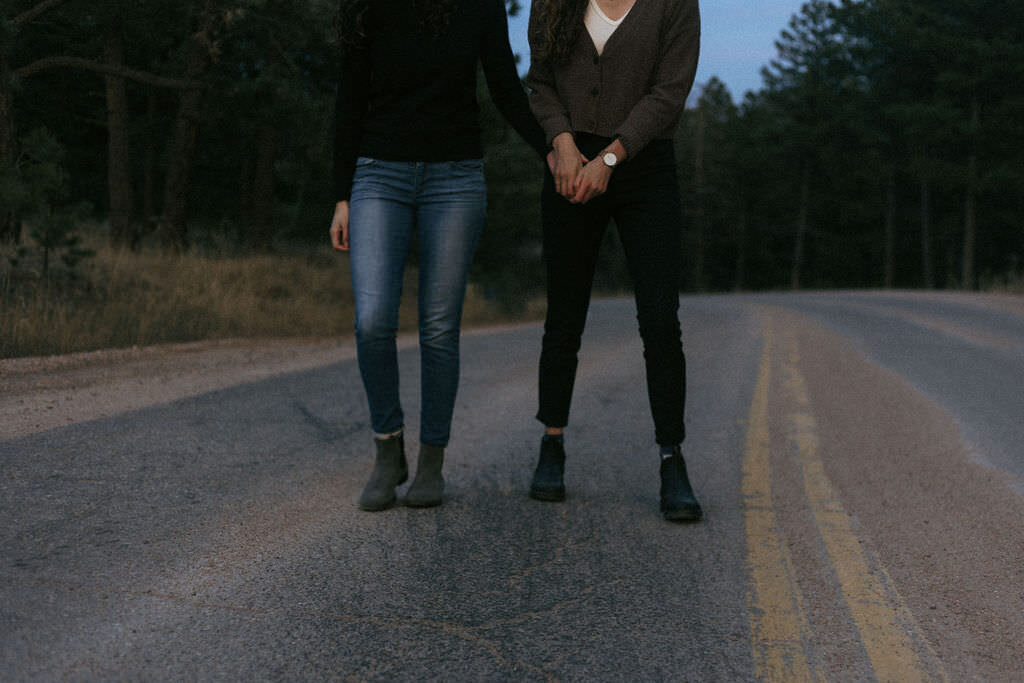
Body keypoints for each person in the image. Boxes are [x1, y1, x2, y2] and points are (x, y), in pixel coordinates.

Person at [330, 0, 548, 511]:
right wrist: (342, 195)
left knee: (439, 327)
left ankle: (431, 462)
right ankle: (389, 451)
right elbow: (350, 97)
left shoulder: (479, 5)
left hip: (455, 178)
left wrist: (552, 149)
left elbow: (504, 84)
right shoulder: (366, 5)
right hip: (379, 173)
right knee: (373, 320)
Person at [524, 0, 703, 521]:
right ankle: (551, 444)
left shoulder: (674, 4)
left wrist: (611, 157)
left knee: (659, 320)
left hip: (645, 169)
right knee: (564, 315)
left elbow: (670, 92)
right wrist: (560, 140)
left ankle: (672, 459)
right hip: (568, 165)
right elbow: (540, 81)